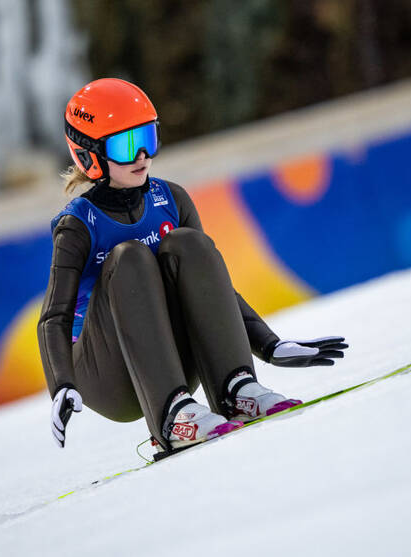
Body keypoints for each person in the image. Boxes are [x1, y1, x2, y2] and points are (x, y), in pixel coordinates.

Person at [37, 78, 347, 455]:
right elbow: (55, 316)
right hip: (108, 376)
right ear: (88, 155)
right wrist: (62, 385)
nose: (142, 157)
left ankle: (236, 390)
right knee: (128, 256)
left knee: (189, 244)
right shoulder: (77, 225)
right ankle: (171, 417)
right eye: (126, 145)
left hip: (170, 359)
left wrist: (270, 344)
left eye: (148, 138)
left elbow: (212, 288)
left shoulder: (170, 198)